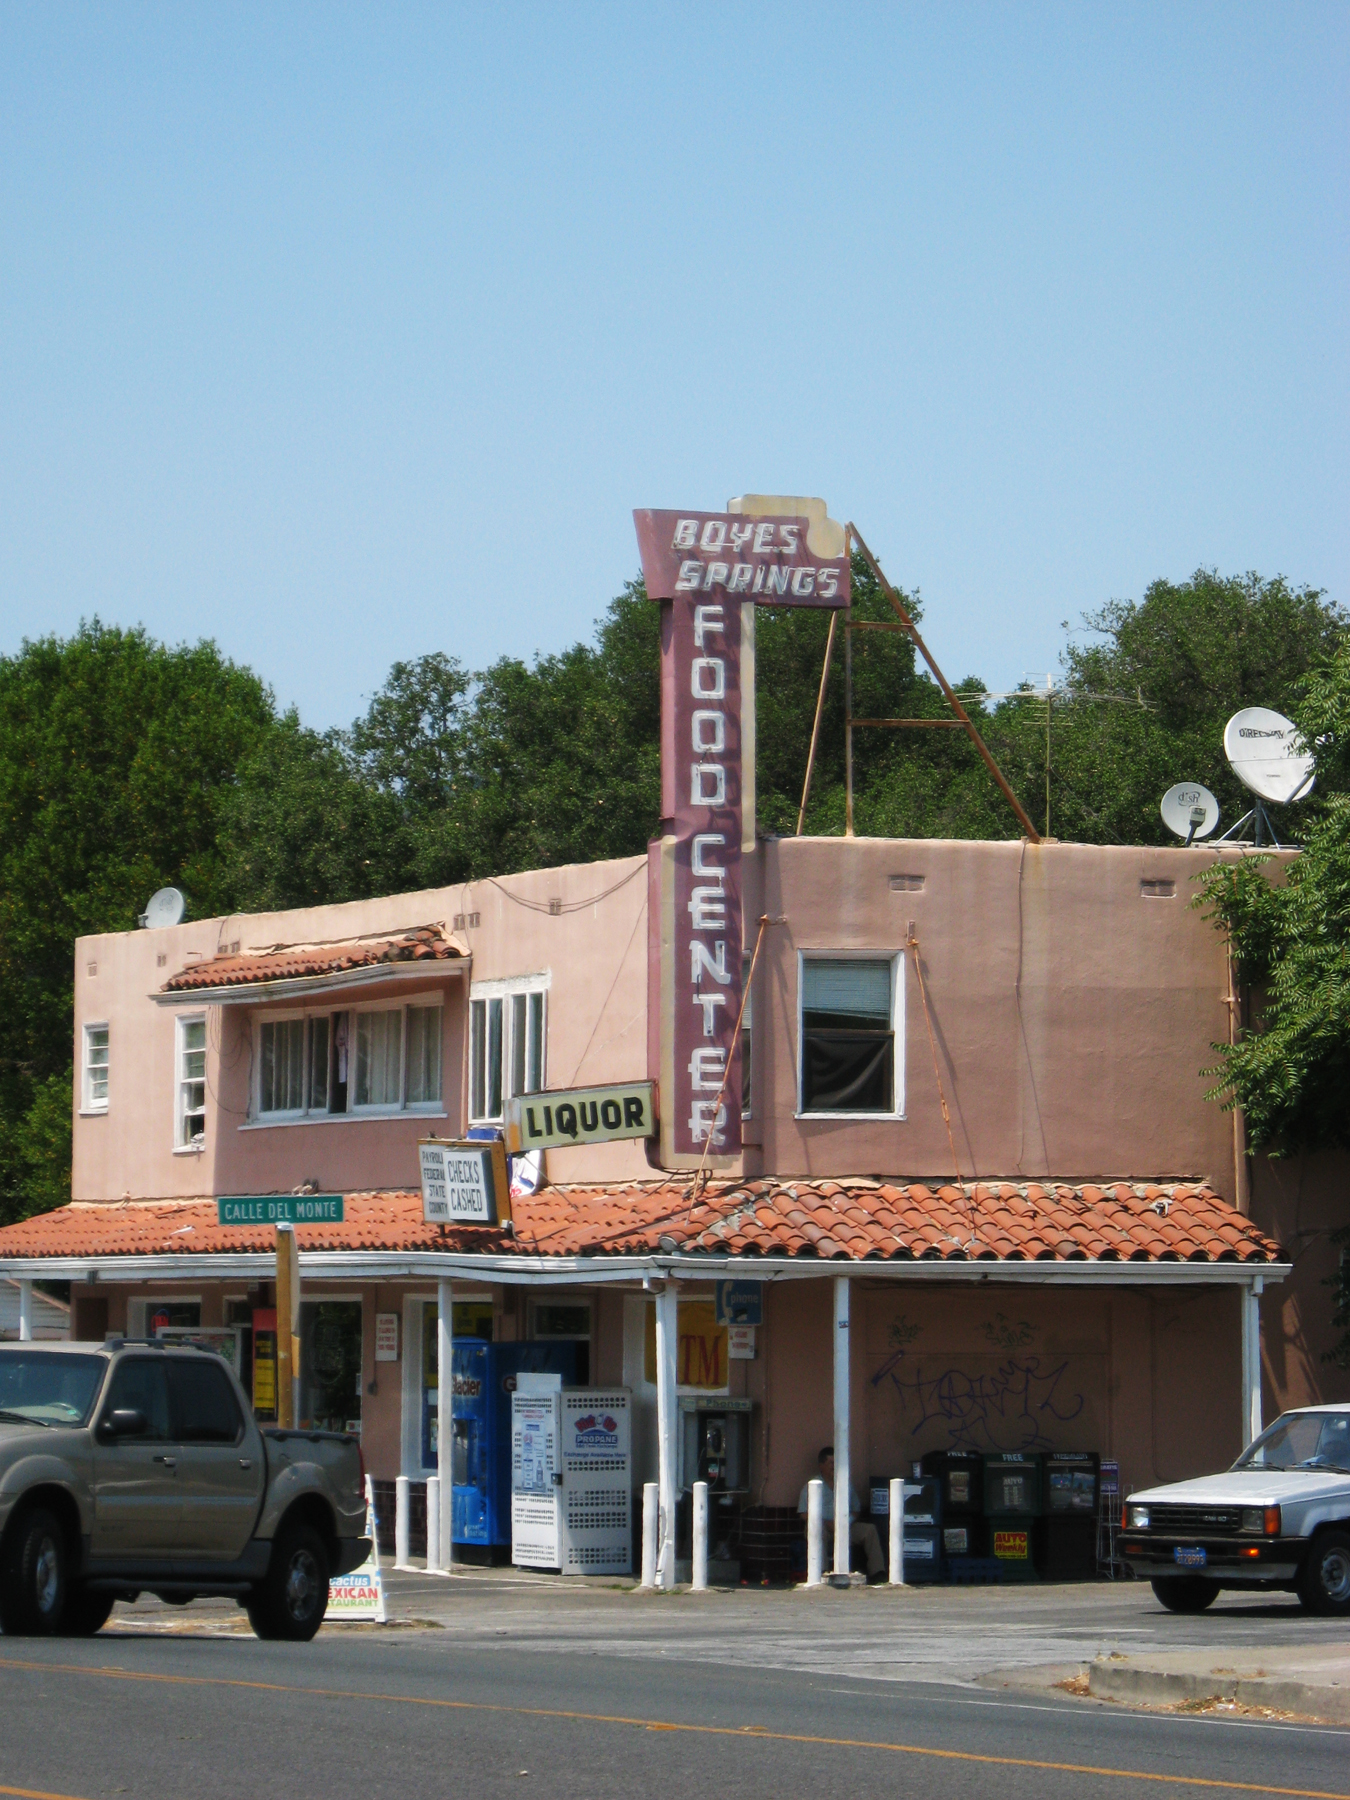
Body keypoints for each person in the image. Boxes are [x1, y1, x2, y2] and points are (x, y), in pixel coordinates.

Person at [797, 1445, 885, 1580]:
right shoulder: (812, 1485)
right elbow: (803, 1513)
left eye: (836, 1462)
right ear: (821, 1466)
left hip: (844, 1527)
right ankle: (822, 1572)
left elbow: (856, 1509)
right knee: (818, 1531)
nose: (834, 1466)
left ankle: (878, 1573)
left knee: (869, 1530)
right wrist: (826, 1523)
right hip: (823, 1527)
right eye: (831, 1463)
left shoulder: (845, 1484)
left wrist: (845, 1523)